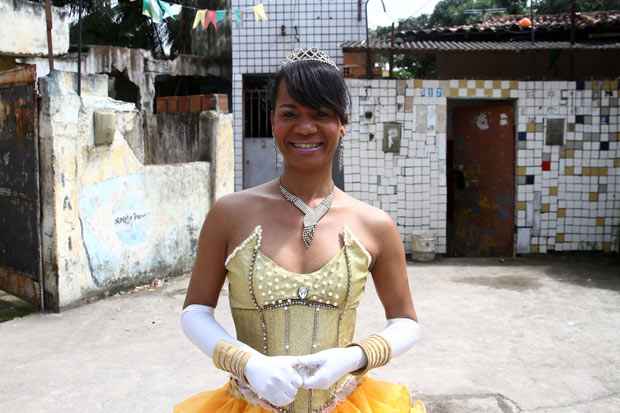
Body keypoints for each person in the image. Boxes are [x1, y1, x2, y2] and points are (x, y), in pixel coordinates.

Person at [175, 48, 426, 413]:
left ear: (343, 124)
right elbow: (195, 311)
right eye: (290, 114)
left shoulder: (374, 225)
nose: (305, 128)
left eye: (321, 114)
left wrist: (353, 357)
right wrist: (247, 362)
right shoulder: (229, 214)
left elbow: (405, 322)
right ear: (273, 121)